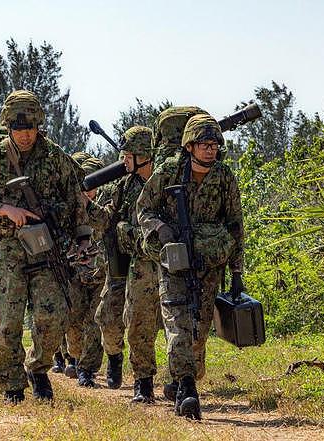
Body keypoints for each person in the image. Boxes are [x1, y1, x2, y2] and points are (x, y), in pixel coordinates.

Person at [0, 90, 91, 403]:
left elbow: (77, 202)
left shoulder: (56, 158)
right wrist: (6, 210)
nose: (25, 134)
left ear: (39, 126)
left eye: (31, 128)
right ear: (8, 126)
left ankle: (38, 367)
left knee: (54, 315)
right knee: (6, 319)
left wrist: (83, 238)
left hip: (47, 248)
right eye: (19, 128)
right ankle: (12, 385)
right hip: (7, 248)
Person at [137, 114, 244, 419]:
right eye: (204, 144)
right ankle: (187, 389)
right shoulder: (169, 171)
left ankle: (179, 378)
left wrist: (237, 272)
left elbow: (235, 226)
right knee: (177, 324)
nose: (210, 150)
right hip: (173, 262)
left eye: (214, 144)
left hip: (209, 263)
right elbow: (143, 209)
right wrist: (160, 228)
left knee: (200, 328)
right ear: (189, 146)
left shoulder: (224, 177)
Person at [86, 127, 157, 394]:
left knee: (148, 321)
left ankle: (150, 382)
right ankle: (114, 357)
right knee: (109, 317)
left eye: (128, 155)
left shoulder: (164, 180)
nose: (123, 161)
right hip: (125, 261)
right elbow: (105, 220)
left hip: (162, 261)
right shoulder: (123, 186)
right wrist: (86, 205)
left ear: (144, 156)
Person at [64, 153, 107, 388]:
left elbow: (107, 223)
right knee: (73, 319)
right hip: (74, 272)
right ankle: (76, 355)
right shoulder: (68, 206)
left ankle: (87, 369)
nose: (88, 190)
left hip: (100, 273)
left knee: (95, 320)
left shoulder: (104, 205)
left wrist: (90, 205)